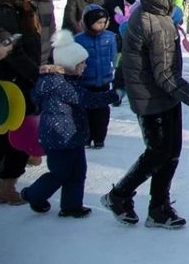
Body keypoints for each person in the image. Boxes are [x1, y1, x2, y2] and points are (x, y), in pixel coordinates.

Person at [103, 0, 189, 228]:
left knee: (171, 151)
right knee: (159, 152)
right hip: (152, 98)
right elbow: (165, 75)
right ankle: (119, 195)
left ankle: (159, 207)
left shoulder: (147, 13)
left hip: (162, 96)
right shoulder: (155, 23)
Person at [21, 30, 119, 217]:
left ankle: (71, 205)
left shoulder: (66, 81)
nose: (84, 66)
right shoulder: (60, 85)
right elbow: (88, 99)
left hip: (72, 135)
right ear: (69, 64)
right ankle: (33, 194)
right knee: (60, 173)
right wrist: (114, 94)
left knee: (78, 172)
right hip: (59, 137)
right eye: (81, 63)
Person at [0, 0, 56, 205]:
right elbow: (12, 51)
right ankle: (6, 184)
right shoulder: (6, 11)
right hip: (13, 80)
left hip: (31, 75)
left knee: (23, 129)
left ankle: (10, 180)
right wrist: (35, 74)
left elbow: (44, 38)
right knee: (6, 134)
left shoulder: (33, 3)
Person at [74, 5, 118, 149]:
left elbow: (114, 57)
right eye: (98, 22)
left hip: (104, 81)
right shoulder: (78, 39)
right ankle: (86, 137)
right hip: (85, 82)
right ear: (87, 22)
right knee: (85, 112)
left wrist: (114, 70)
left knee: (102, 112)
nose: (102, 24)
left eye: (104, 21)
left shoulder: (110, 37)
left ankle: (99, 137)